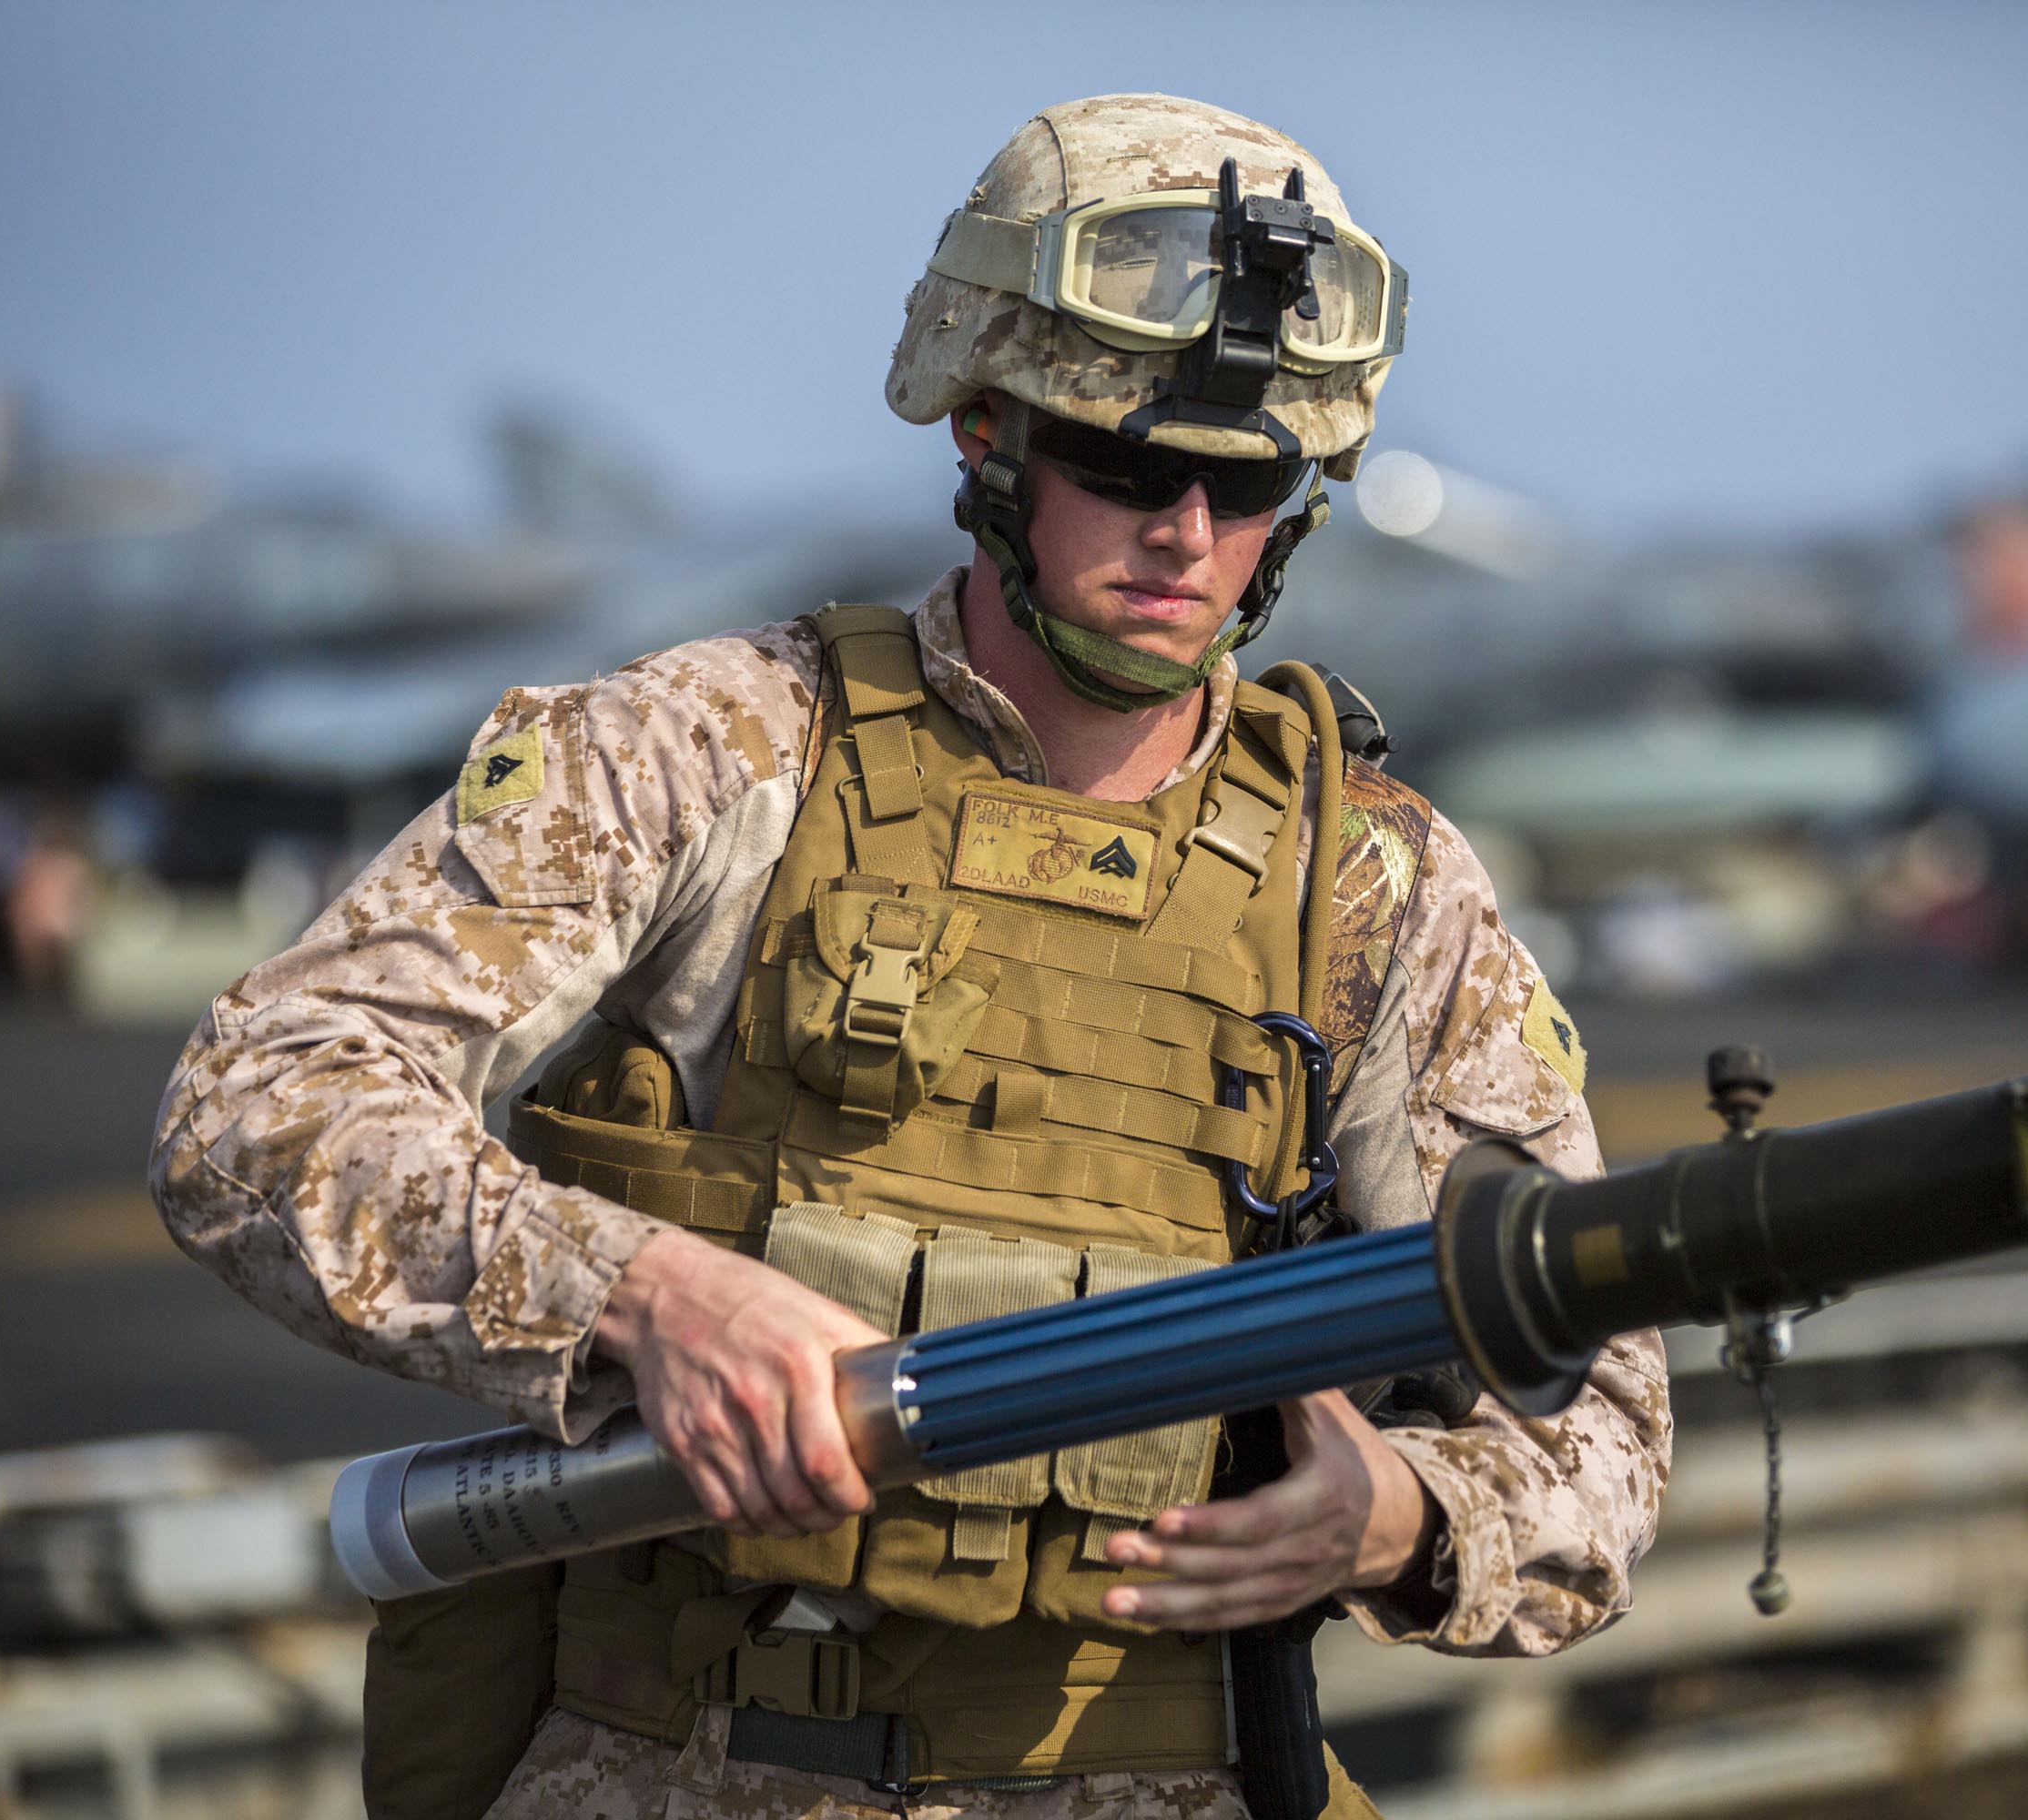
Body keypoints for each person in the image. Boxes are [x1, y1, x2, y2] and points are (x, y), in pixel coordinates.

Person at [149, 95, 1670, 1820]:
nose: (1185, 531)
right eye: (1125, 463)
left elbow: (1594, 1417)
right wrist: (644, 1296)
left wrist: (1400, 1518)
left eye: (1247, 481)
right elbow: (256, 1103)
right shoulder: (711, 748)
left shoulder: (1381, 885)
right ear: (983, 428)